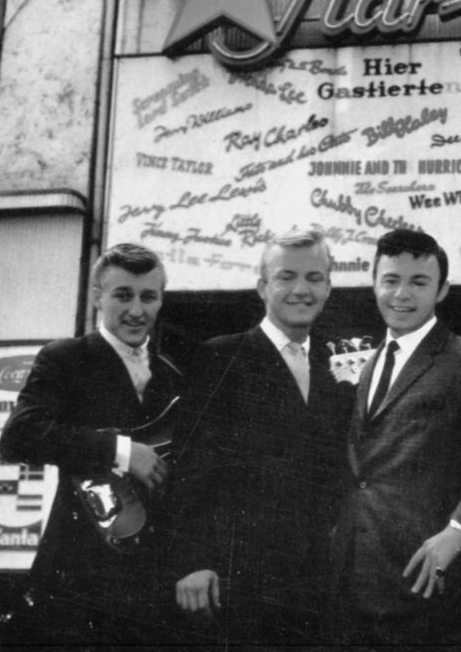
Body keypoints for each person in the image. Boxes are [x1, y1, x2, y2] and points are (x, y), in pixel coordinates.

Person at [330, 228, 461, 647]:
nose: (402, 294)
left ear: (442, 290)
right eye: (391, 280)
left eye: (419, 282)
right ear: (374, 284)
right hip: (355, 581)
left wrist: (459, 529)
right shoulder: (369, 364)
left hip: (424, 584)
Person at [0, 243, 191, 647]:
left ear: (161, 300)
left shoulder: (175, 375)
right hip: (77, 575)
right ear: (97, 297)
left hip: (152, 582)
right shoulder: (65, 358)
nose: (136, 310)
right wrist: (121, 452)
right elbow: (19, 436)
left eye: (148, 297)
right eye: (123, 295)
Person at [172, 227, 352, 648]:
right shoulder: (221, 355)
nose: (301, 289)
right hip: (241, 579)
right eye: (286, 277)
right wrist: (193, 560)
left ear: (328, 288)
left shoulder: (338, 362)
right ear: (261, 287)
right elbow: (192, 466)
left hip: (320, 582)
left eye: (314, 278)